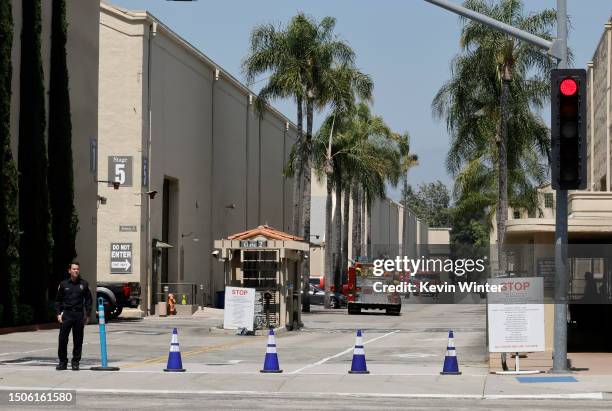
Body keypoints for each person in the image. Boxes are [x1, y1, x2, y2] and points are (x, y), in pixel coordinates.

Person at [55, 261, 92, 371]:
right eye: (74, 269)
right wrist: (58, 314)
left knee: (78, 340)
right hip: (66, 314)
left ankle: (75, 362)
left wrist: (88, 314)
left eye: (77, 269)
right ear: (69, 270)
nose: (76, 271)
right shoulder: (63, 284)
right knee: (62, 339)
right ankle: (63, 362)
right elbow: (57, 301)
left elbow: (89, 300)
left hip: (78, 315)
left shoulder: (84, 284)